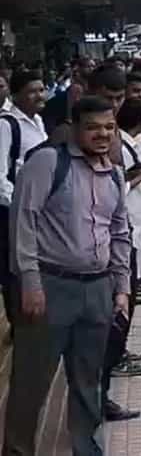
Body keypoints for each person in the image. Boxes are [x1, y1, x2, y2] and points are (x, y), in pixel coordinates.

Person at [4, 95, 131, 455]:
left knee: (89, 379)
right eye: (92, 128)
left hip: (98, 289)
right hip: (51, 287)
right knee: (31, 381)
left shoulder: (114, 173)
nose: (102, 135)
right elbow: (23, 223)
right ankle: (17, 451)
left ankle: (86, 448)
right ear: (75, 128)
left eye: (109, 127)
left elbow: (119, 232)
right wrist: (30, 283)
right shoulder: (47, 163)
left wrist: (121, 287)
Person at [98, 99, 141, 423]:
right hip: (112, 248)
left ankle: (106, 382)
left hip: (127, 235)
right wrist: (136, 177)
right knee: (116, 318)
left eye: (109, 128)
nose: (105, 136)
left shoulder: (129, 145)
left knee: (122, 306)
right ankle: (103, 388)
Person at [0, 69, 48, 331]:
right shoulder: (6, 125)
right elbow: (0, 177)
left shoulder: (38, 121)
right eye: (32, 91)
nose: (40, 95)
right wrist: (20, 204)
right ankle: (18, 325)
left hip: (38, 209)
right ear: (16, 95)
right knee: (15, 269)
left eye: (41, 89)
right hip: (13, 212)